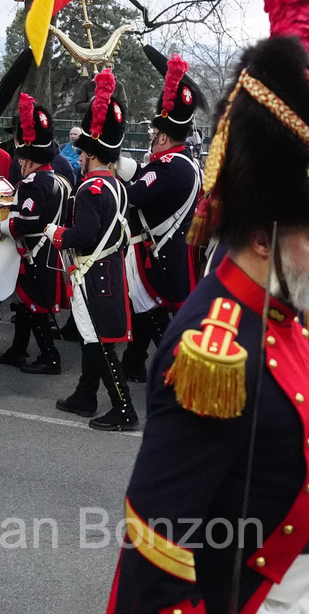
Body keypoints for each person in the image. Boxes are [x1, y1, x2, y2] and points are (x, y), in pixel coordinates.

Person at [107, 0, 309, 613]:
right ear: (262, 234)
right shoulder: (214, 352)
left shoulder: (287, 314)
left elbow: (306, 450)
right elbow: (157, 549)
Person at [50, 68, 138, 432]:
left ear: (90, 154)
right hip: (108, 271)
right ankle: (84, 395)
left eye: (83, 151)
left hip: (94, 273)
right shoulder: (115, 185)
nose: (79, 156)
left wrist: (56, 233)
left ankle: (124, 408)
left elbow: (83, 235)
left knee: (101, 343)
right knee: (92, 336)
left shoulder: (90, 189)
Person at [119, 49, 205, 383]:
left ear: (165, 136)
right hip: (169, 251)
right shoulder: (184, 162)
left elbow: (135, 195)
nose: (151, 137)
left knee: (153, 310)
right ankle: (134, 361)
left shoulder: (169, 166)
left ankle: (181, 375)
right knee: (143, 303)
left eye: (155, 133)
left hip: (159, 254)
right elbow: (144, 176)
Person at [0, 92, 70, 375]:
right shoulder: (58, 180)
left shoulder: (31, 183)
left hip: (34, 254)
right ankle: (17, 349)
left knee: (36, 306)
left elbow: (25, 222)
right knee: (26, 304)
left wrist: (1, 227)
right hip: (50, 252)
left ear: (27, 158)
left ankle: (50, 358)